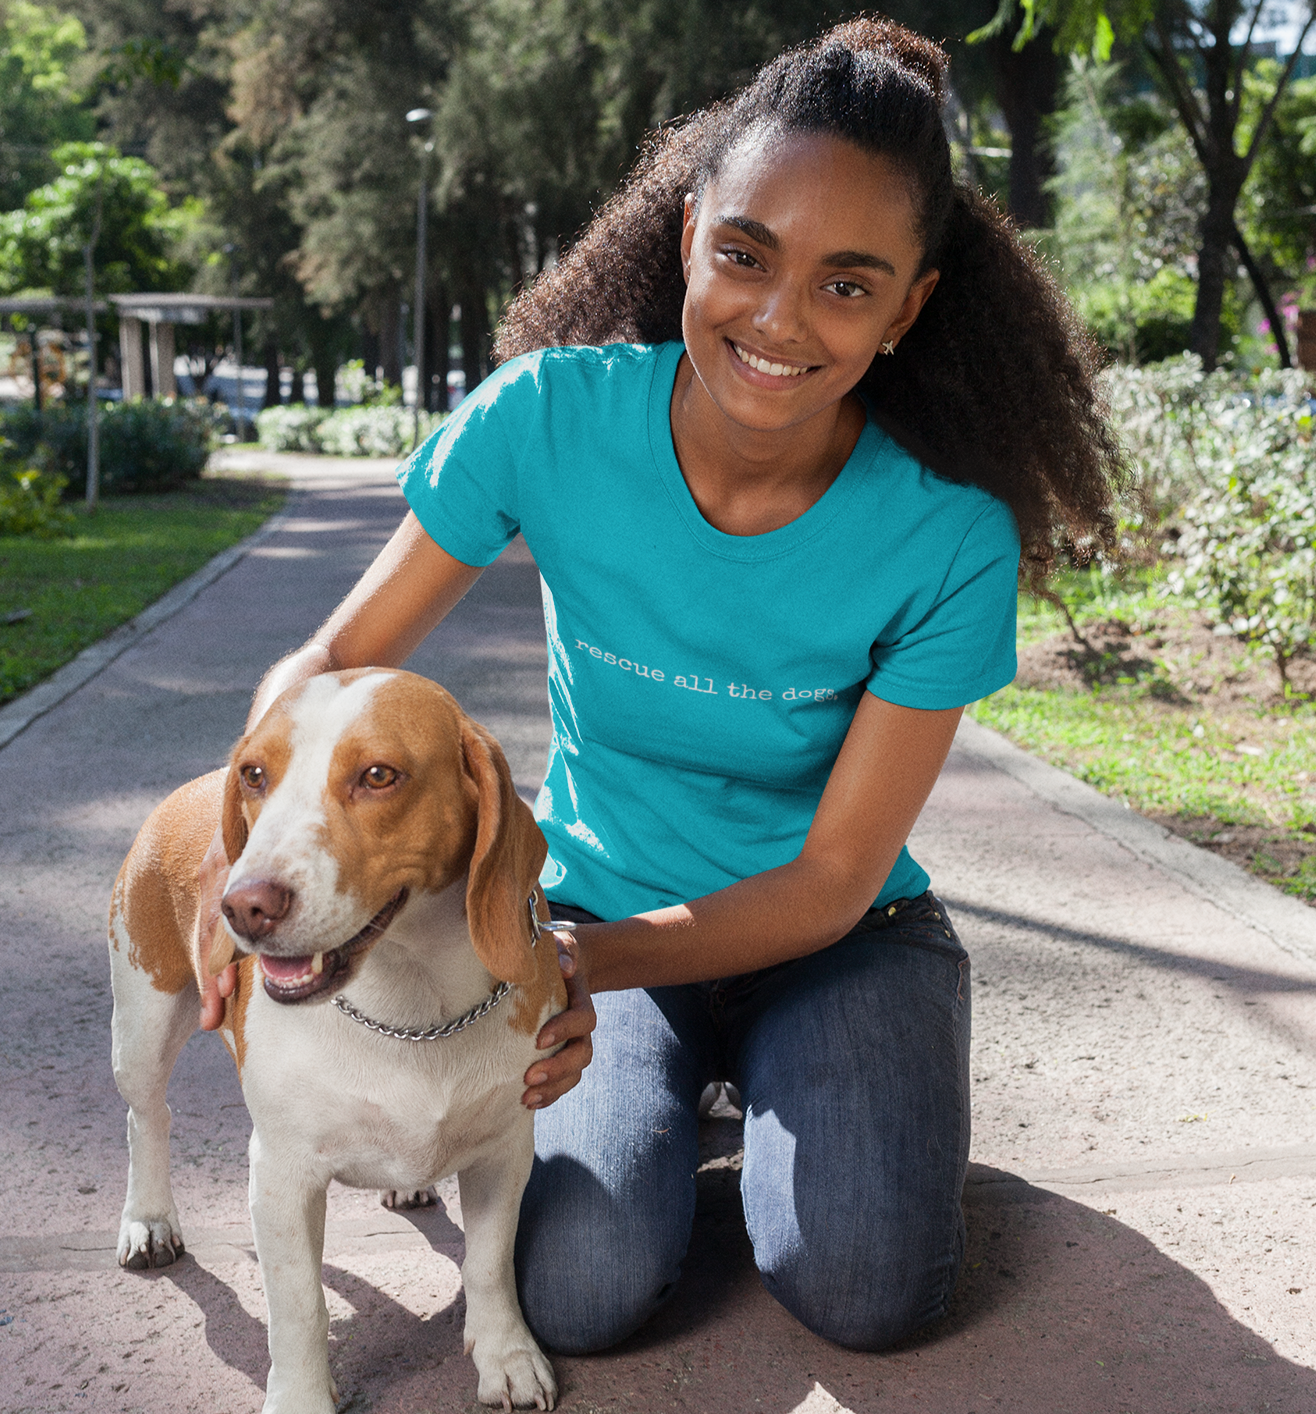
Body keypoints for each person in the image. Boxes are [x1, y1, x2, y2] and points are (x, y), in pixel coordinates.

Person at [198, 16, 1125, 1355]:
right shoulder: (548, 419)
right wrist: (253, 853)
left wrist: (565, 965)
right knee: (577, 1290)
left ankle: (857, 1108)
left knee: (867, 1287)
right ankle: (697, 1105)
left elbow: (827, 883)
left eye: (846, 285)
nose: (776, 316)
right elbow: (332, 664)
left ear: (908, 305)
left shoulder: (945, 533)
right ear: (688, 229)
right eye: (744, 252)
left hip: (833, 942)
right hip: (597, 907)